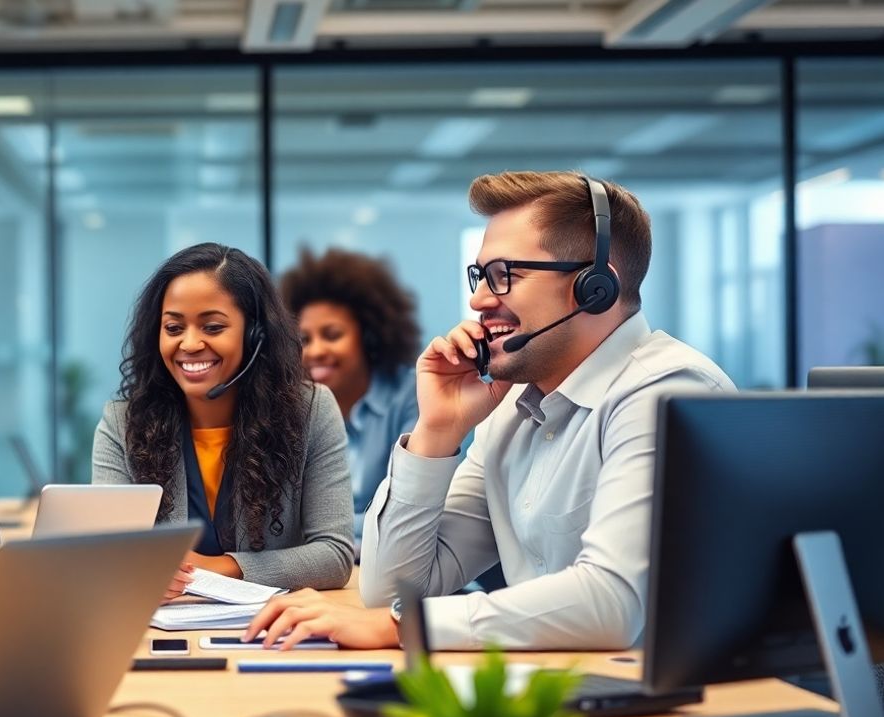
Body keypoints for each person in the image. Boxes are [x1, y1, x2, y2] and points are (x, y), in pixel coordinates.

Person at [244, 171, 734, 651]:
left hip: (665, 710)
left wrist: (407, 627)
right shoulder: (512, 411)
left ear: (595, 288)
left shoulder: (666, 392)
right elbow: (391, 593)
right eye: (481, 276)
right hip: (551, 698)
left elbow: (612, 603)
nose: (478, 300)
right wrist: (436, 431)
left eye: (505, 276)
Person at [92, 243, 354, 593]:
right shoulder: (122, 423)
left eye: (212, 327)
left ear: (254, 335)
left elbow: (334, 556)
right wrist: (139, 572)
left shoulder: (311, 411)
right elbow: (107, 555)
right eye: (173, 328)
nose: (189, 343)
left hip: (271, 634)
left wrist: (216, 568)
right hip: (162, 630)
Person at [279, 246, 420, 542]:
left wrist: (325, 535)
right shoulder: (293, 407)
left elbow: (408, 513)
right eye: (304, 339)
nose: (315, 351)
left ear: (368, 335)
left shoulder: (411, 395)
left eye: (332, 335)